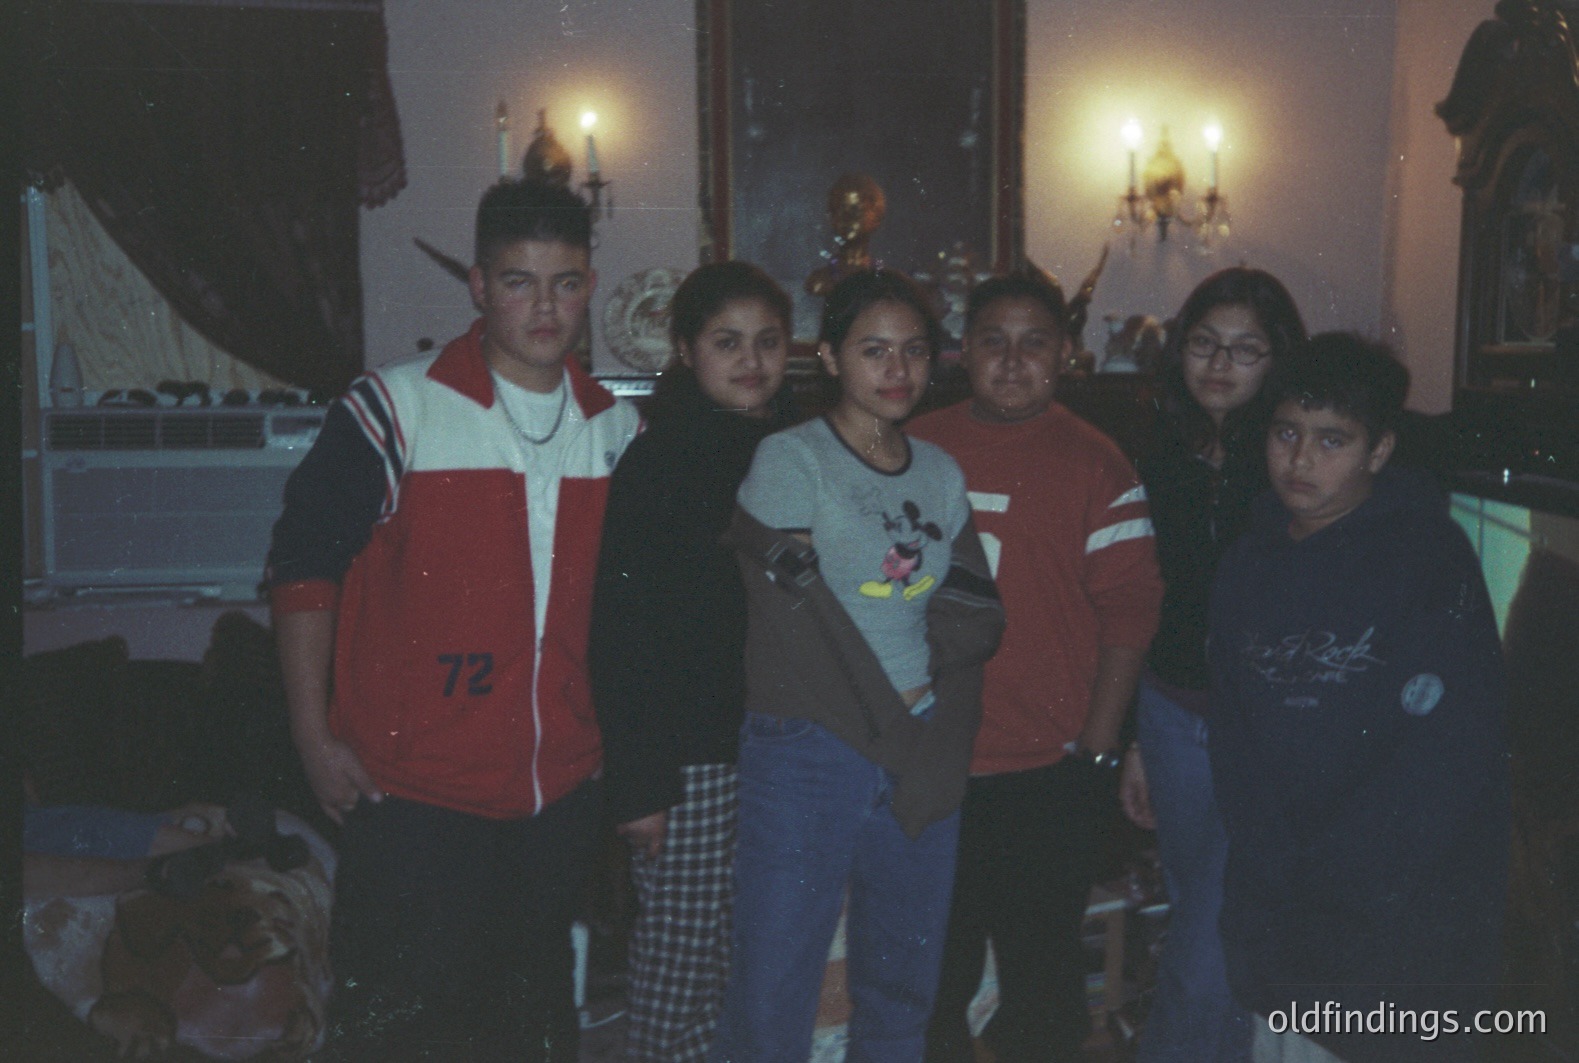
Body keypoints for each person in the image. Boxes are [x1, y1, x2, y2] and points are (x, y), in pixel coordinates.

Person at [265, 178, 641, 1061]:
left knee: (530, 1032)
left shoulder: (617, 432)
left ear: (590, 284)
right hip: (414, 802)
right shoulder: (394, 408)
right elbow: (300, 570)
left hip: (556, 806)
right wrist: (310, 733)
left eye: (566, 282)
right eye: (519, 281)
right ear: (478, 285)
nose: (545, 306)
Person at [707, 269, 1004, 1063]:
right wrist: (904, 743)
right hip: (809, 745)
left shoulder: (938, 472)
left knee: (903, 985)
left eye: (912, 351)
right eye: (874, 351)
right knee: (775, 988)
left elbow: (975, 614)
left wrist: (941, 740)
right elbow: (801, 630)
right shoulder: (788, 459)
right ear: (831, 357)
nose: (896, 370)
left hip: (918, 739)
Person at [1208, 334, 1509, 1063]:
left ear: (1378, 451)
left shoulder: (1429, 559)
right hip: (1277, 899)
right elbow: (1232, 730)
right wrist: (1271, 864)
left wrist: (1334, 877)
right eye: (1286, 434)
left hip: (1388, 911)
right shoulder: (1248, 556)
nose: (1300, 460)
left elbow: (1447, 751)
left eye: (1331, 440)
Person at [908, 267, 1163, 1063]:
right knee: (930, 973)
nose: (1012, 361)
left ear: (1065, 354)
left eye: (1033, 344)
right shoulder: (916, 448)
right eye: (993, 341)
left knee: (1042, 977)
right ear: (961, 351)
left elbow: (1128, 611)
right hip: (933, 761)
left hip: (1045, 769)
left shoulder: (1096, 463)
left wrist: (1094, 743)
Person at [589, 261, 797, 1062]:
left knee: (760, 953)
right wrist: (639, 786)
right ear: (684, 349)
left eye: (768, 341)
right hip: (690, 758)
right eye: (726, 341)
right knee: (681, 954)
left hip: (785, 745)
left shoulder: (801, 451)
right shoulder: (659, 461)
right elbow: (622, 631)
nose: (751, 360)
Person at [1118, 267, 1307, 1062]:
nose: (1219, 363)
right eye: (1203, 343)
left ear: (1278, 361)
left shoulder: (1296, 459)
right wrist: (1133, 738)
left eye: (1245, 349)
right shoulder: (1152, 449)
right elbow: (1137, 600)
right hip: (1167, 714)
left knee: (1200, 954)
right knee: (1202, 916)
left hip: (1259, 733)